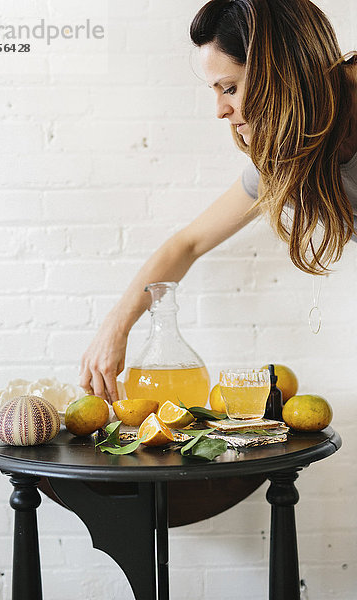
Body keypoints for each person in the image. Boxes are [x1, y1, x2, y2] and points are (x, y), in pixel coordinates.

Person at [80, 0, 357, 402]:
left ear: (283, 71)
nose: (220, 110)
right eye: (215, 91)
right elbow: (187, 244)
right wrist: (114, 328)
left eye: (230, 87)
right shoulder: (286, 157)